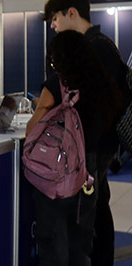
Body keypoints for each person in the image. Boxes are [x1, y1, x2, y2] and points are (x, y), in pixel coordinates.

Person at [43, 0, 131, 266]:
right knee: (97, 210)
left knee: (92, 215)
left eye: (55, 18)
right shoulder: (100, 44)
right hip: (96, 141)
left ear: (72, 12)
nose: (53, 26)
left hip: (94, 143)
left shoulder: (95, 47)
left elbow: (93, 99)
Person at [25, 30, 121, 266]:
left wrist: (44, 108)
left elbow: (32, 129)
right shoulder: (102, 84)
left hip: (58, 170)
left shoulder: (57, 85)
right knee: (81, 240)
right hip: (88, 172)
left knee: (53, 239)